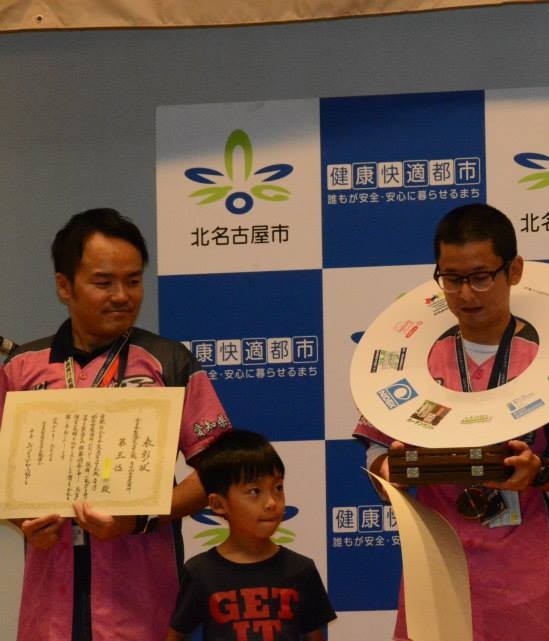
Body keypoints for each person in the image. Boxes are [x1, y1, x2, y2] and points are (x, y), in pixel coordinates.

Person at [353, 203, 549, 641]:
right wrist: (387, 470)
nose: (466, 294)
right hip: (433, 570)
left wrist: (539, 472)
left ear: (514, 270)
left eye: (480, 277)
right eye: (451, 279)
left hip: (524, 576)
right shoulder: (412, 365)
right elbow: (377, 450)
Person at [0, 208, 232, 641]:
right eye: (104, 282)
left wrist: (140, 519)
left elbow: (221, 470)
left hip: (145, 603)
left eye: (133, 281)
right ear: (64, 286)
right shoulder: (21, 368)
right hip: (49, 607)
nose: (123, 296)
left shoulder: (168, 361)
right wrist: (22, 522)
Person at [166, 429, 336, 641]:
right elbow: (176, 635)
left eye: (278, 487)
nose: (272, 502)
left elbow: (315, 636)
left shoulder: (302, 570)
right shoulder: (199, 572)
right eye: (255, 491)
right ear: (218, 504)